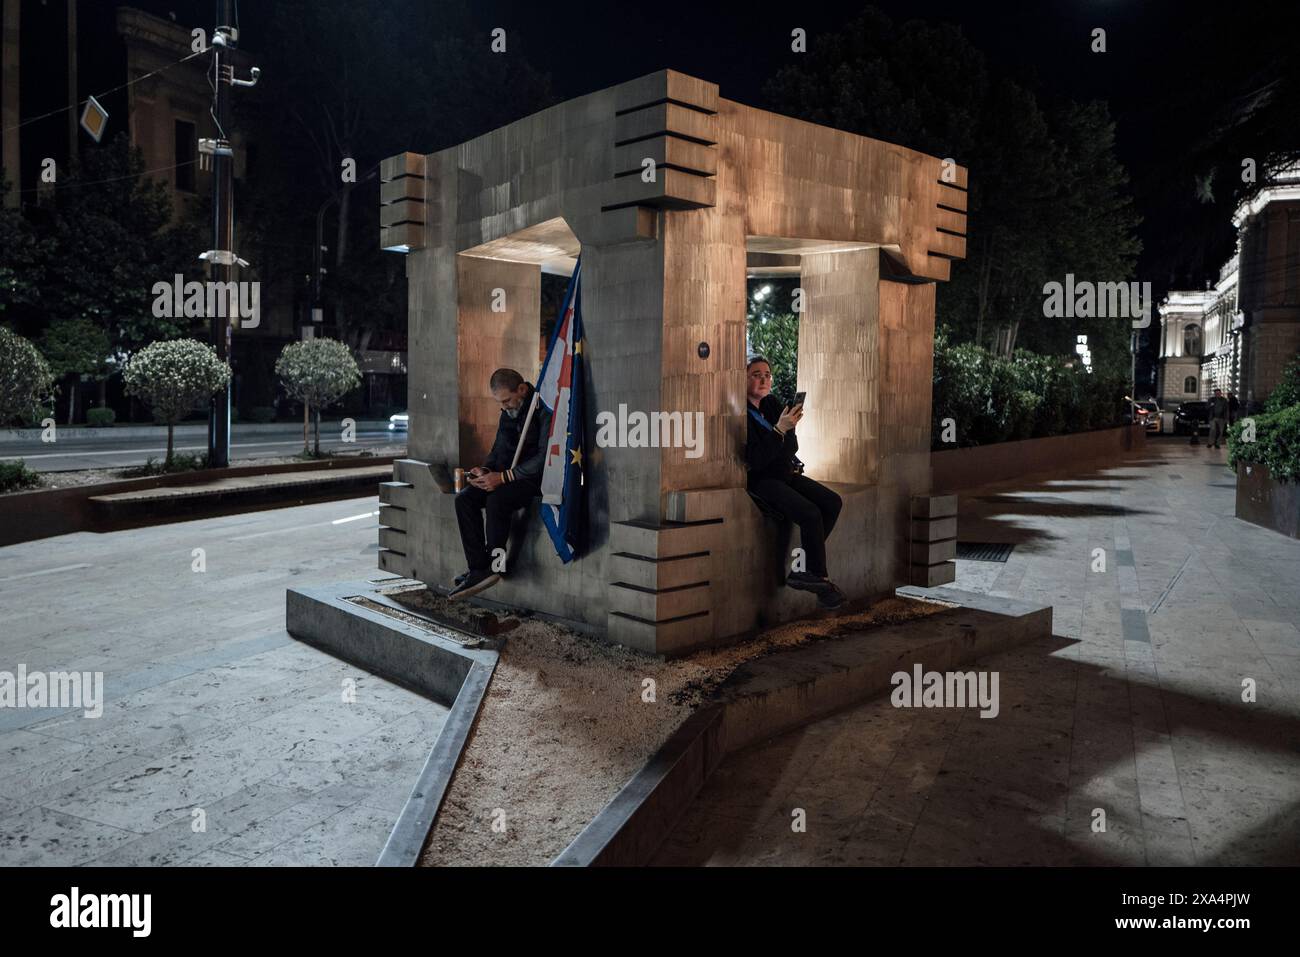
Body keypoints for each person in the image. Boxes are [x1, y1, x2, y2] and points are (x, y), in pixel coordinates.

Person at [745, 355, 845, 609]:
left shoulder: (772, 404)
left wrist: (786, 431)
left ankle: (809, 571)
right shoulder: (740, 412)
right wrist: (778, 431)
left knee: (832, 502)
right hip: (762, 480)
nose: (764, 379)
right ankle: (817, 576)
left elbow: (792, 446)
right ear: (743, 379)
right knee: (811, 514)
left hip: (785, 472)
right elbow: (756, 460)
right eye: (756, 374)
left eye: (767, 375)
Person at [450, 368, 552, 599]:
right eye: (500, 403)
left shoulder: (544, 410)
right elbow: (498, 451)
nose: (504, 406)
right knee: (464, 499)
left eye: (507, 400)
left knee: (497, 499)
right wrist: (485, 470)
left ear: (522, 390)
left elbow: (545, 459)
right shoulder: (508, 412)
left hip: (533, 480)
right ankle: (479, 569)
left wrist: (504, 477)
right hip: (506, 477)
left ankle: (496, 565)